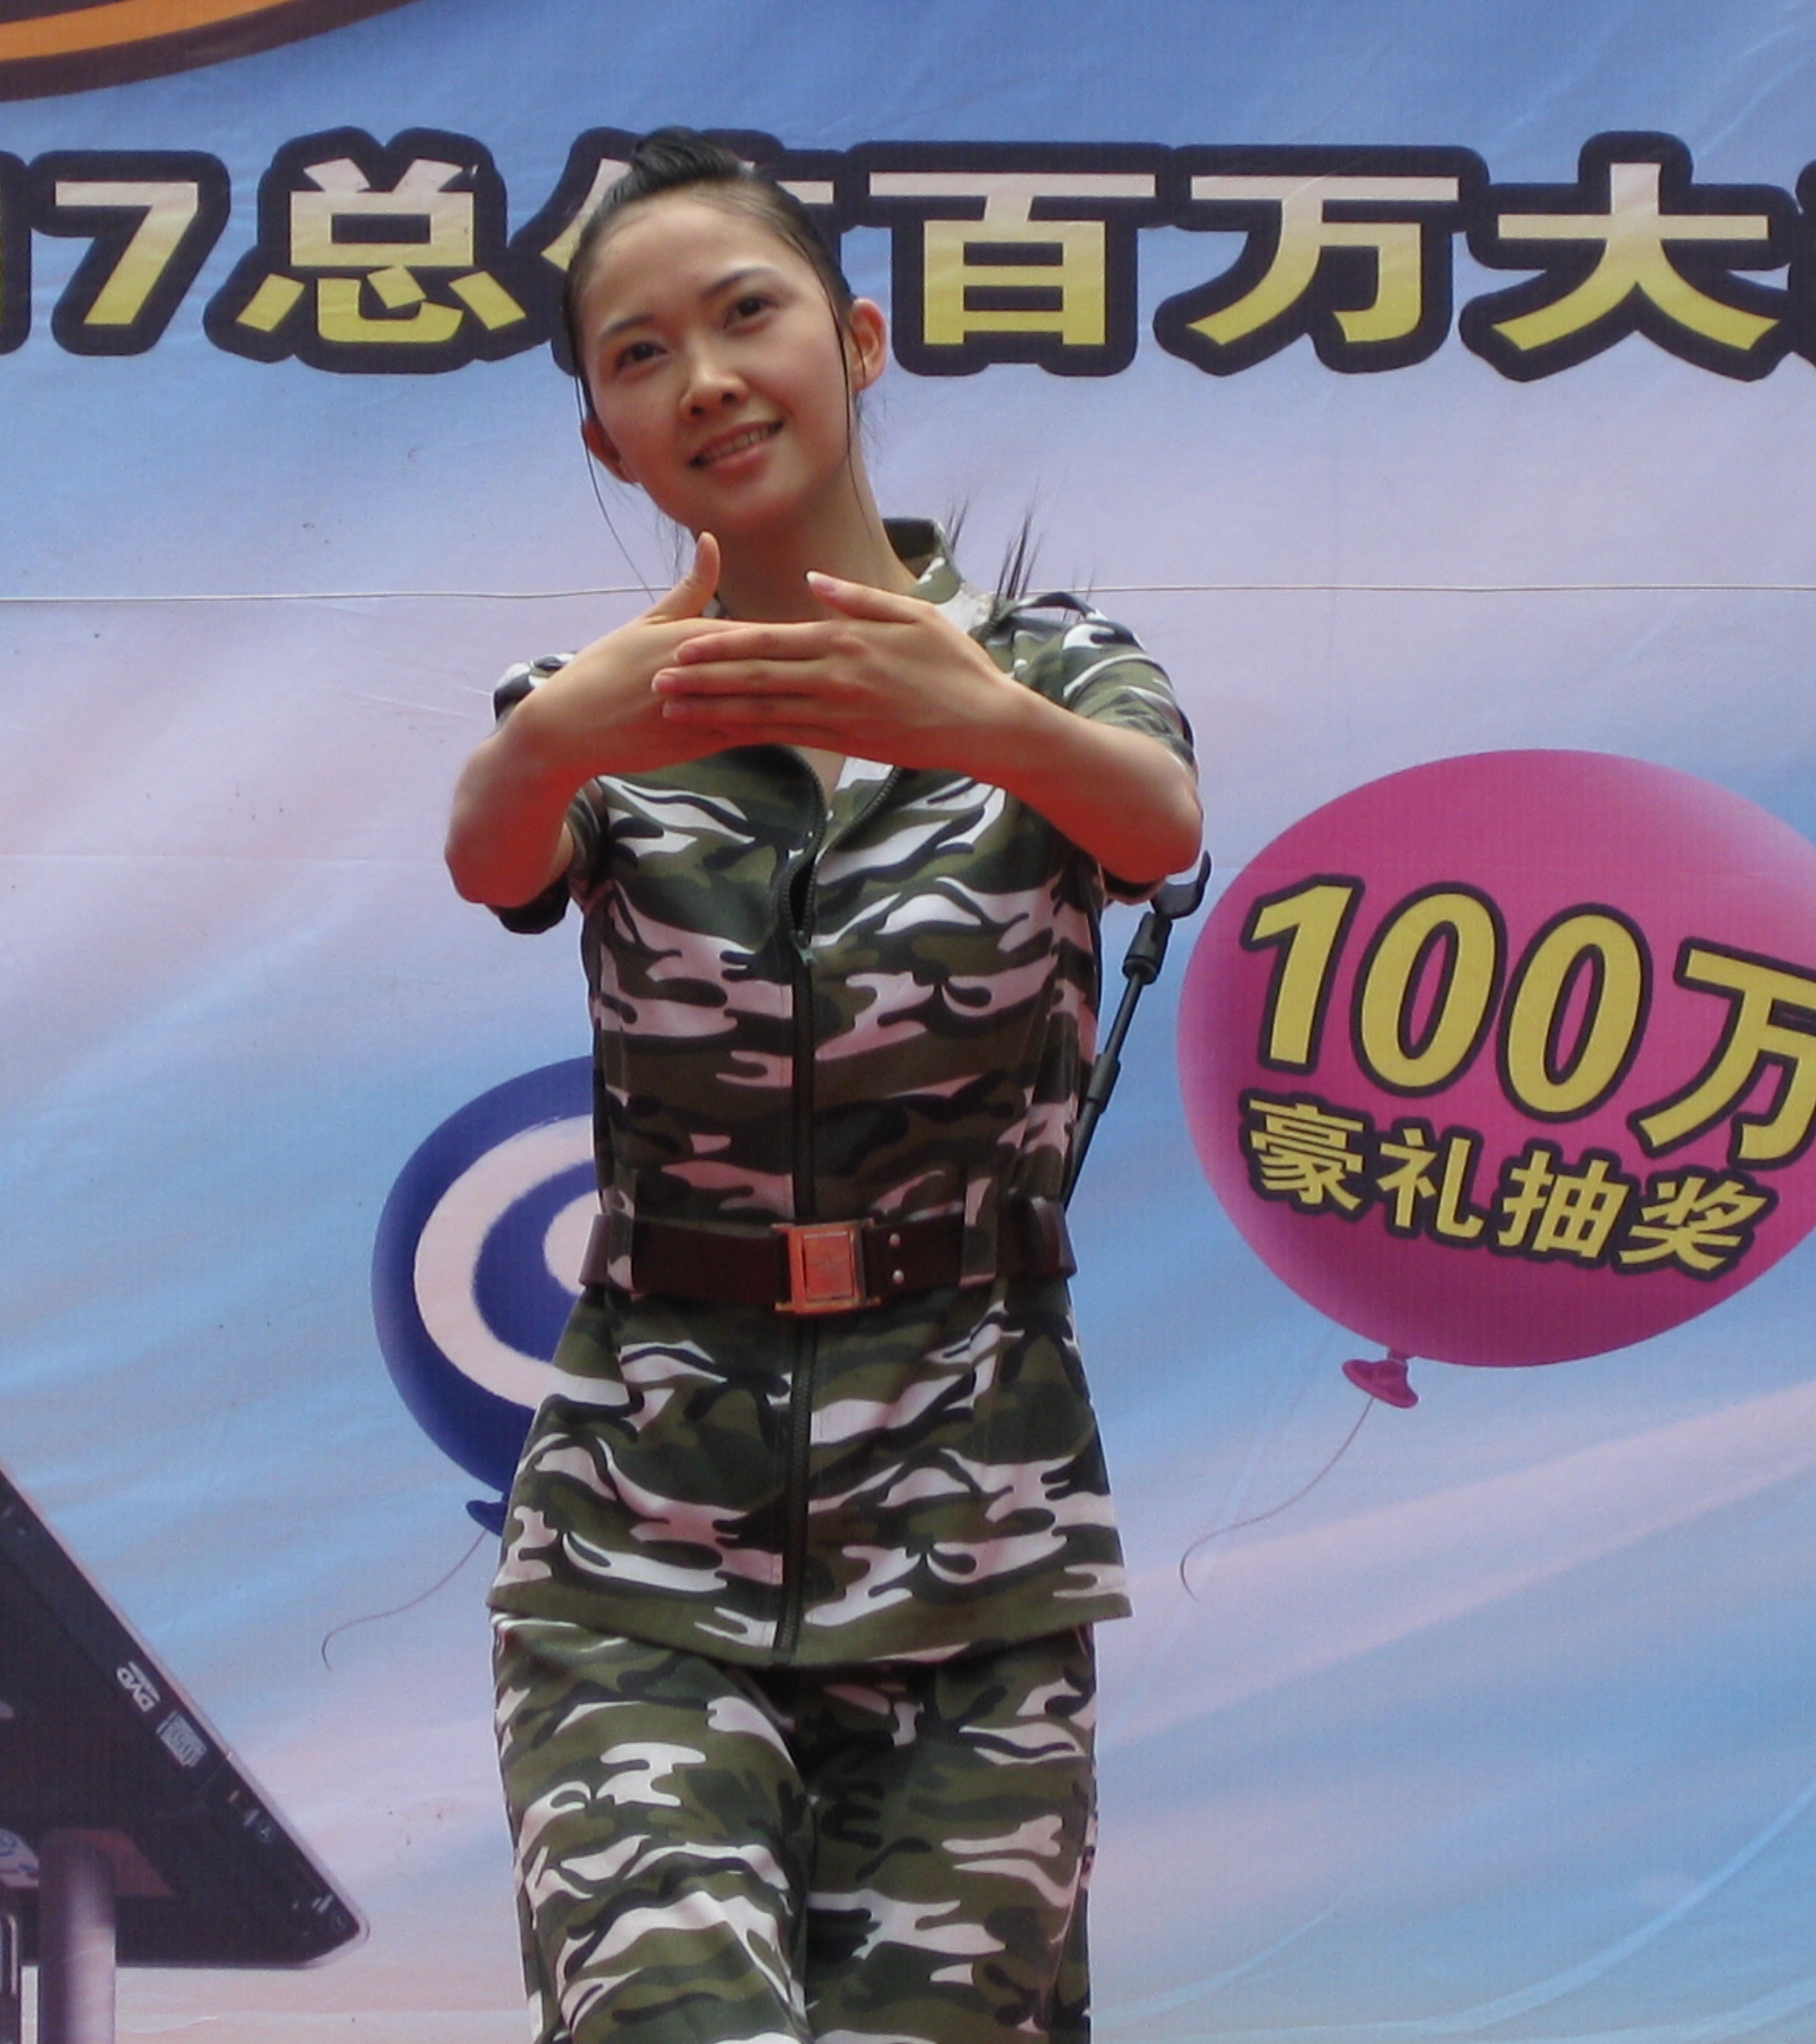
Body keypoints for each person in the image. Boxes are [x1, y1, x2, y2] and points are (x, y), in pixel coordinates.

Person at [444, 129, 1201, 2044]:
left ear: (857, 343)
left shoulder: (1055, 667)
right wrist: (554, 737)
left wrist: (982, 721)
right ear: (608, 440)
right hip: (639, 1546)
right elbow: (490, 855)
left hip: (975, 1544)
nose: (704, 380)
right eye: (640, 357)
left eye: (744, 316)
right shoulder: (598, 706)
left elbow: (1161, 828)